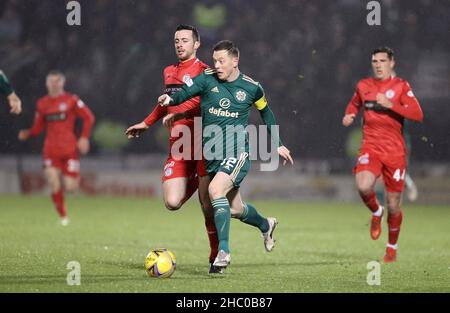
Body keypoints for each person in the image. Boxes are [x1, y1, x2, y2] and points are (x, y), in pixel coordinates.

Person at [158, 40, 294, 270]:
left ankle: (223, 252)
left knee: (215, 191)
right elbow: (186, 93)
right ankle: (265, 225)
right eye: (215, 61)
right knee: (234, 209)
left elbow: (267, 114)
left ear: (235, 60)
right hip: (211, 155)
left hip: (237, 153)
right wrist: (171, 100)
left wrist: (278, 144)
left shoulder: (252, 88)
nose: (217, 65)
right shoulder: (207, 78)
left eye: (222, 61)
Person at [125, 25, 221, 274]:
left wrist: (181, 112)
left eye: (185, 40)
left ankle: (215, 256)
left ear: (196, 44)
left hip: (202, 144)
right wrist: (146, 123)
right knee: (172, 202)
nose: (179, 44)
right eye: (176, 40)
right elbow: (164, 102)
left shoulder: (206, 72)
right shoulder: (169, 72)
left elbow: (211, 105)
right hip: (179, 147)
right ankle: (198, 184)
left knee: (207, 206)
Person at [342, 47, 423, 263]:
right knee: (363, 185)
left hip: (395, 152)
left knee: (394, 204)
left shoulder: (401, 87)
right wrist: (350, 113)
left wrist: (392, 105)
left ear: (392, 63)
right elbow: (355, 103)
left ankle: (391, 249)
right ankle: (377, 212)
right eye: (374, 61)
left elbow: (417, 114)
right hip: (371, 146)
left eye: (382, 60)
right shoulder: (363, 85)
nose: (378, 64)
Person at [18, 71, 95, 226]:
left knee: (71, 187)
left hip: (69, 150)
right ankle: (63, 216)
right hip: (50, 150)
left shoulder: (71, 100)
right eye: (51, 82)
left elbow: (89, 117)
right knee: (53, 182)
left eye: (57, 81)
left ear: (62, 83)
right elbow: (39, 126)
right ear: (47, 84)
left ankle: (74, 180)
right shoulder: (42, 104)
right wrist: (29, 133)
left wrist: (84, 137)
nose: (54, 84)